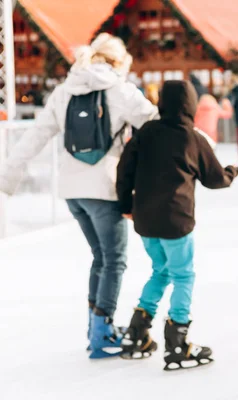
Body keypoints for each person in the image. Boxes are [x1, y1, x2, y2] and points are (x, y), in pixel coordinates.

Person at [0, 33, 158, 359]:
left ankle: (96, 329)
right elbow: (157, 122)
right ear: (118, 62)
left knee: (101, 258)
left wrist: (8, 175)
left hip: (73, 193)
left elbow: (35, 136)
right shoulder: (120, 90)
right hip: (103, 188)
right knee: (114, 260)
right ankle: (102, 333)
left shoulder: (63, 91)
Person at [116, 80, 238, 369]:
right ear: (191, 105)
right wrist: (232, 172)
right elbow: (214, 178)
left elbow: (125, 169)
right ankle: (177, 343)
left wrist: (125, 205)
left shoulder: (146, 133)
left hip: (145, 219)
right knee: (183, 276)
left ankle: (136, 333)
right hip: (176, 221)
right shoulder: (192, 138)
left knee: (160, 271)